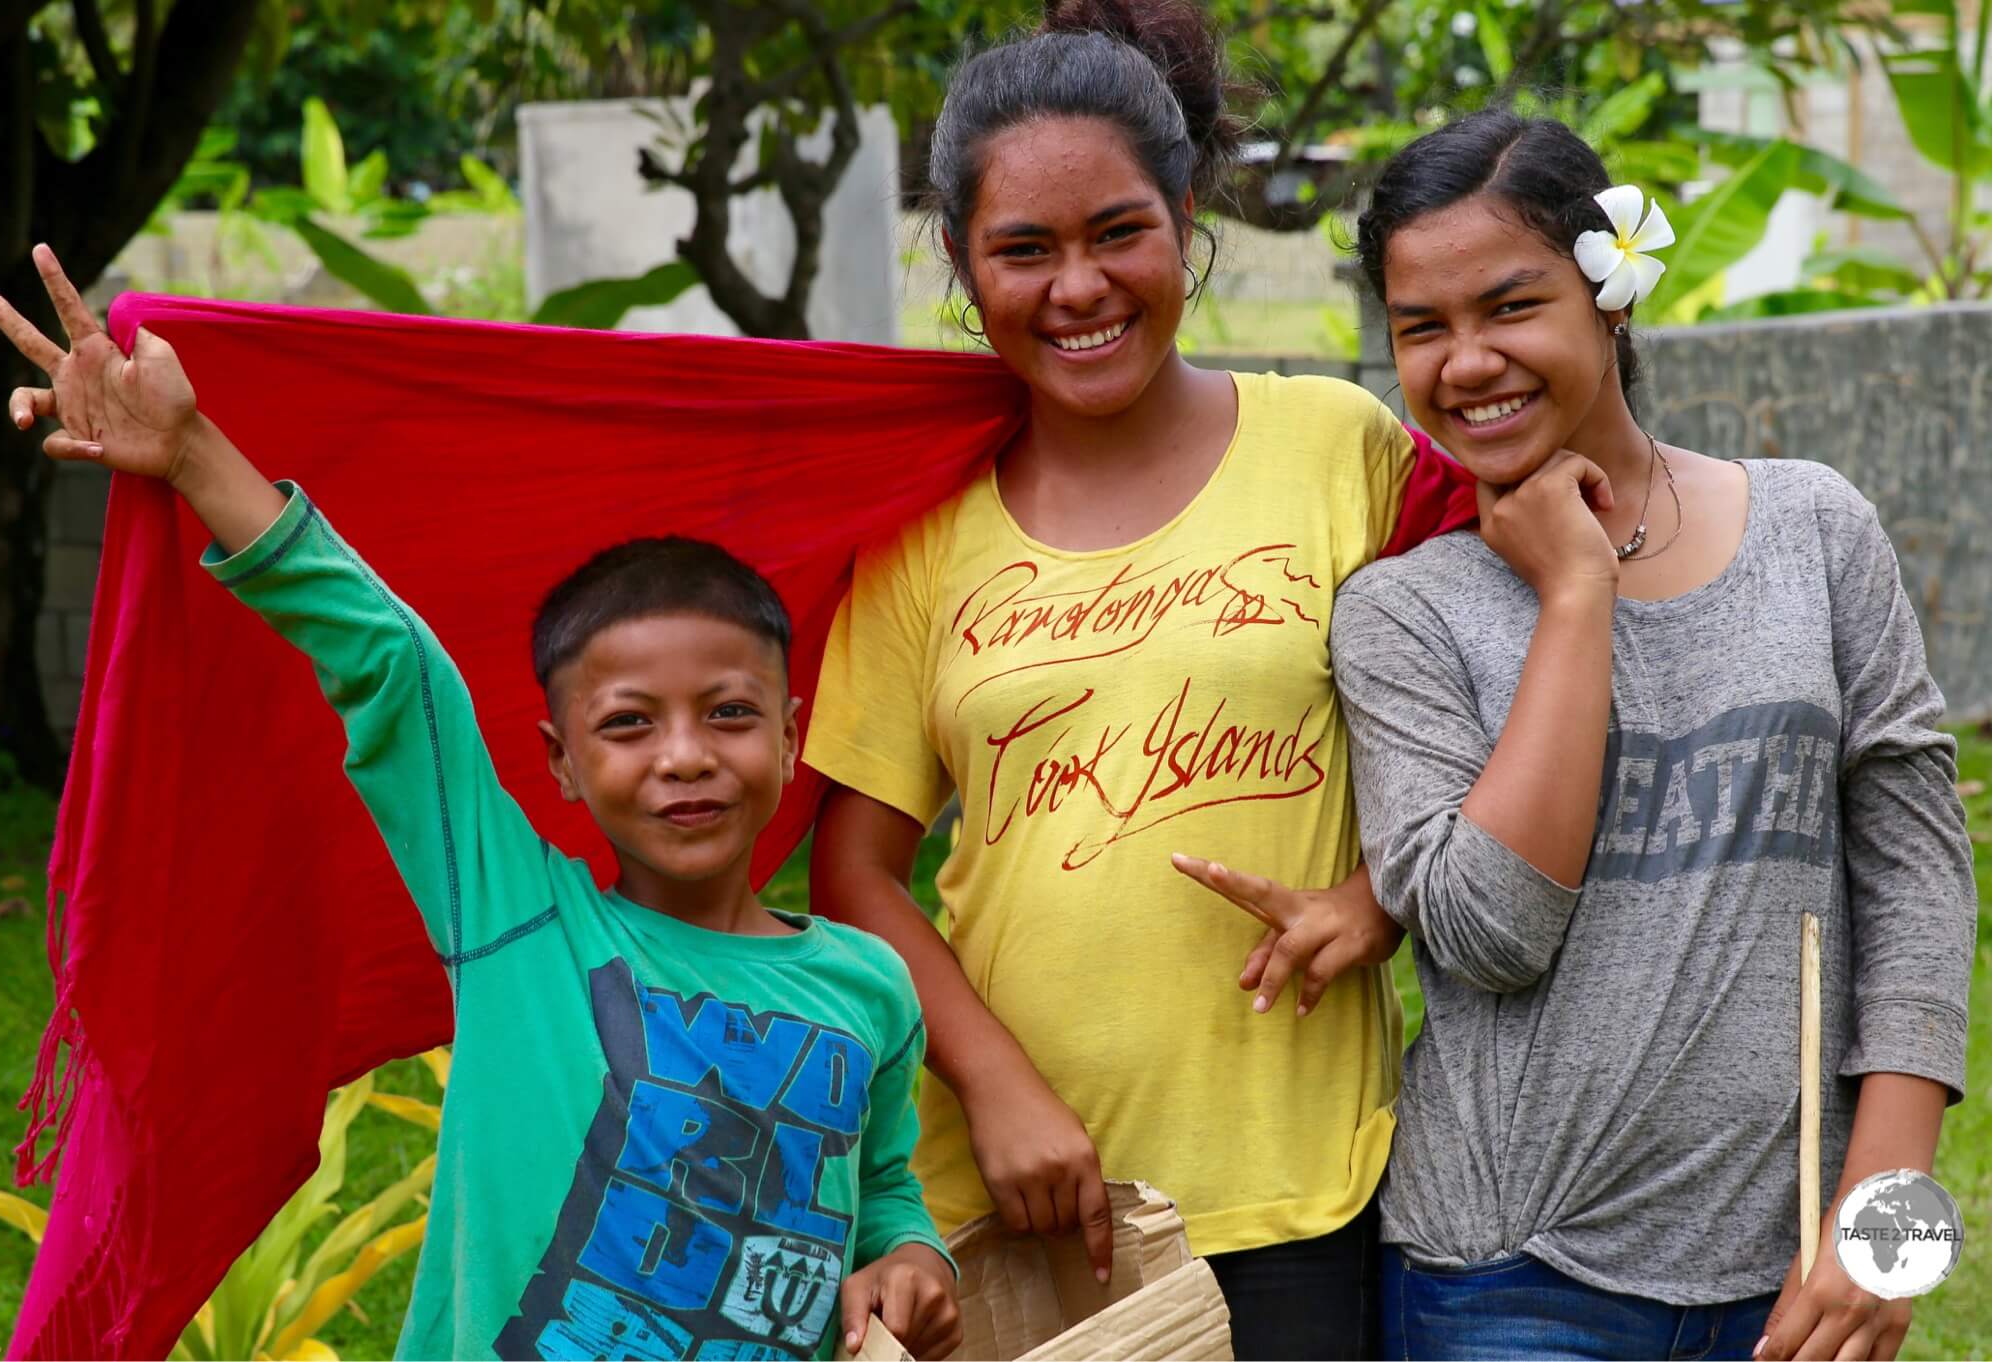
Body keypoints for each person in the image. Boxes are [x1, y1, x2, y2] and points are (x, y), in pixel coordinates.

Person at [0, 246, 963, 1362]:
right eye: (629, 724)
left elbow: (882, 1189)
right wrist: (193, 450)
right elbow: (391, 666)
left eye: (729, 715)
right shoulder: (521, 925)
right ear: (559, 762)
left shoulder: (867, 986)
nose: (683, 757)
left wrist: (914, 1260)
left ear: (793, 736)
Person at [802, 3, 1471, 1356]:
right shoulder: (923, 531)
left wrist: (1383, 896)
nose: (1080, 287)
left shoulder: (1342, 446)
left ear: (1184, 216)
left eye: (1119, 231)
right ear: (957, 260)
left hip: (1294, 1183)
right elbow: (854, 868)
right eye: (1023, 250)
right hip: (1029, 1206)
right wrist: (995, 1089)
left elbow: (1516, 673)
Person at [1326, 108, 1975, 1360]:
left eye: (1508, 306)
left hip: (1795, 1274)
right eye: (1421, 328)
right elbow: (1488, 933)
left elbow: (1915, 875)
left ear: (1609, 296)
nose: (1465, 363)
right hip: (1506, 1284)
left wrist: (1883, 1223)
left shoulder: (1813, 530)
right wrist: (1575, 595)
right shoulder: (1401, 612)